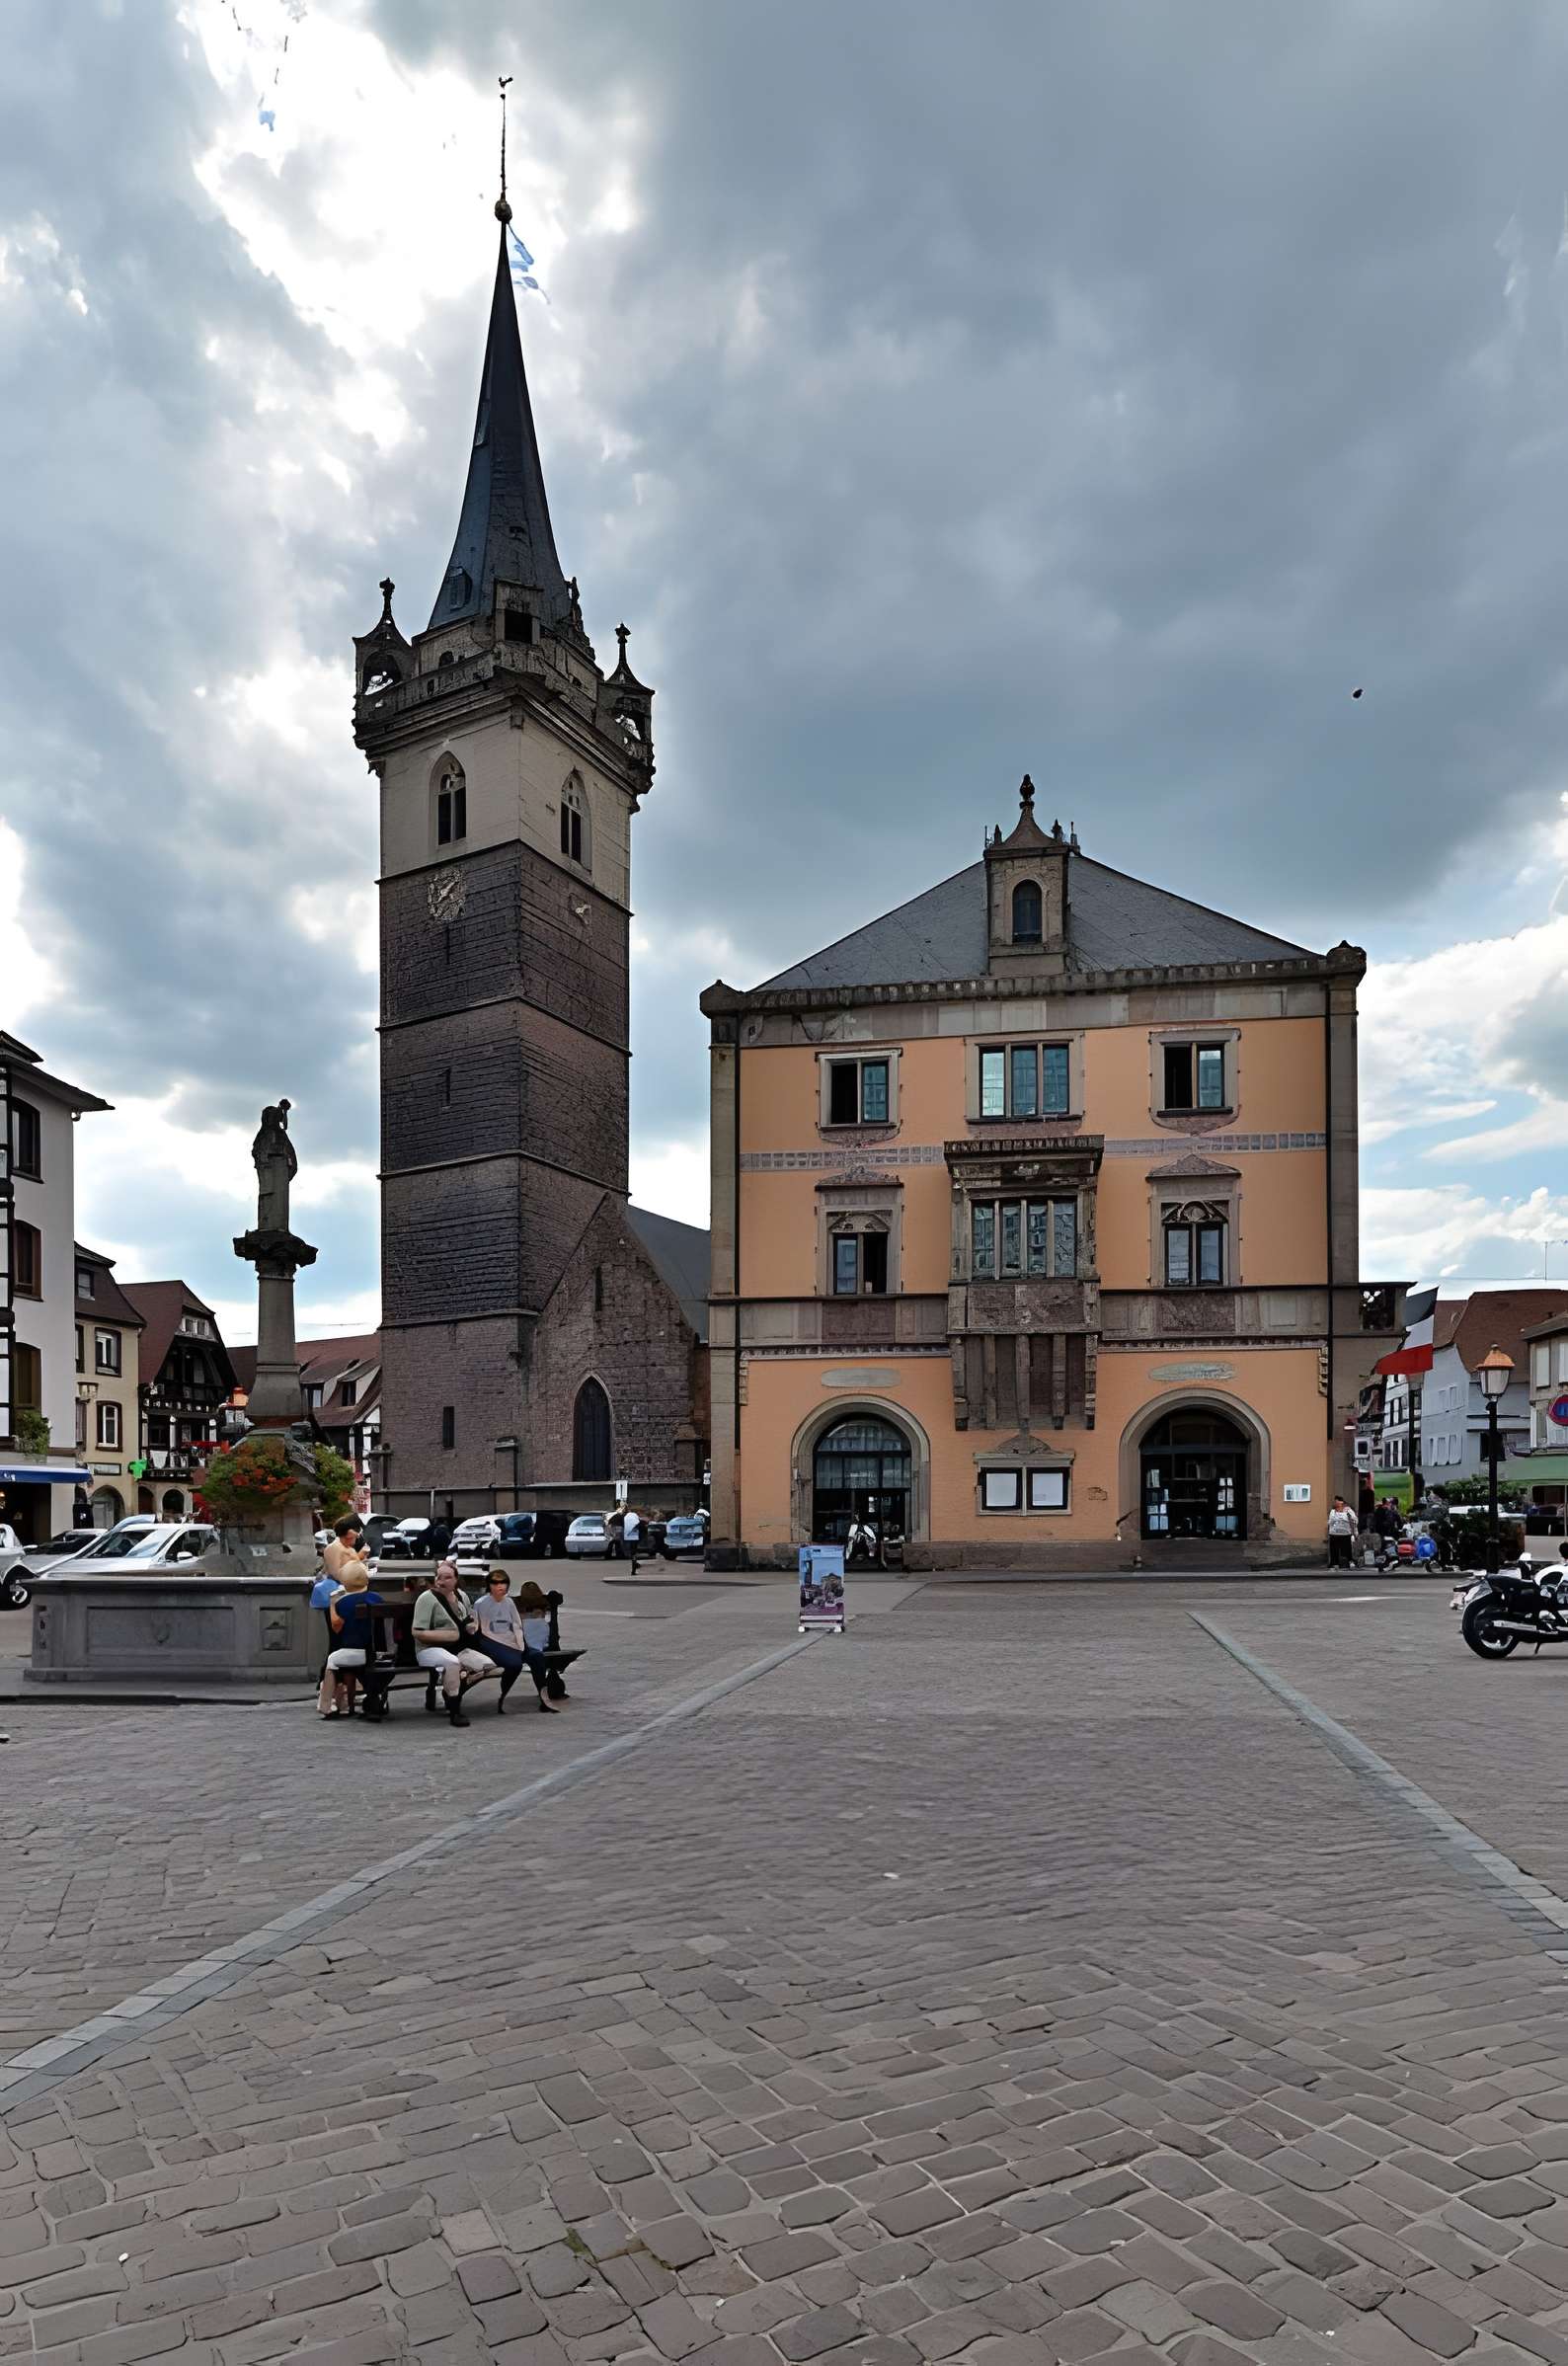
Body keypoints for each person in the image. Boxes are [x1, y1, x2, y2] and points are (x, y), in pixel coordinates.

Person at [411, 1561, 496, 1726]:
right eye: (439, 1577)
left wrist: (472, 1626)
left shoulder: (461, 1596)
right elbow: (417, 1632)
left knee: (488, 1666)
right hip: (429, 1649)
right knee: (452, 1663)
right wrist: (449, 1636)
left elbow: (471, 1617)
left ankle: (450, 1692)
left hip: (458, 1647)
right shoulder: (427, 1599)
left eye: (447, 1577)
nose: (442, 1581)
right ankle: (455, 1711)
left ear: (456, 1579)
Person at [472, 1570, 558, 1714]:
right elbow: (478, 1632)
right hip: (492, 1645)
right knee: (515, 1664)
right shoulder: (481, 1604)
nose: (500, 1587)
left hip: (513, 1644)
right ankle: (503, 1697)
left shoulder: (509, 1602)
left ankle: (544, 1698)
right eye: (496, 1583)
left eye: (503, 1583)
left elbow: (517, 1626)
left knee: (536, 1656)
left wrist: (522, 1645)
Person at [316, 1558, 382, 1718]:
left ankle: (327, 1705)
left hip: (353, 1652)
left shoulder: (343, 1603)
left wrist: (332, 1604)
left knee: (332, 1660)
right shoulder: (376, 1598)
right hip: (376, 1652)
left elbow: (336, 1627)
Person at [1326, 1495, 1359, 1569]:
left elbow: (1354, 1520)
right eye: (1335, 1501)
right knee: (1334, 1549)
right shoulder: (1333, 1511)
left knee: (1347, 1548)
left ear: (1341, 1502)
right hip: (1334, 1533)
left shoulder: (1348, 1510)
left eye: (1337, 1501)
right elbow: (1330, 1521)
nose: (1336, 1503)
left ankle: (1349, 1561)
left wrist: (1354, 1531)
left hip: (1345, 1533)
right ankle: (1334, 1563)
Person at [623, 1504, 642, 1572]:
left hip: (627, 1537)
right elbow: (639, 1524)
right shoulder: (635, 1516)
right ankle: (634, 1564)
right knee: (634, 1551)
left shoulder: (625, 1517)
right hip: (635, 1536)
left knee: (631, 1551)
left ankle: (634, 1562)